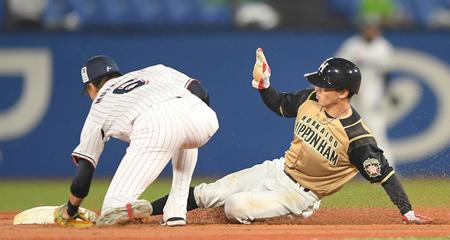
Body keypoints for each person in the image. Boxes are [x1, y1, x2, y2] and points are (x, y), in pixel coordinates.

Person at [151, 48, 432, 225]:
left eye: (324, 85)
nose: (317, 88)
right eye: (318, 83)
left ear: (344, 93)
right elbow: (280, 104)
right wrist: (264, 85)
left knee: (236, 206)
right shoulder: (311, 99)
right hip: (277, 169)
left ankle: (274, 214)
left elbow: (384, 174)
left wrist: (406, 211)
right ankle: (143, 211)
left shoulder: (357, 136)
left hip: (299, 195)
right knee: (207, 192)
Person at [54, 55, 219, 227]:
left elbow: (84, 174)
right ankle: (175, 211)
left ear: (91, 87)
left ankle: (127, 207)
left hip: (156, 123)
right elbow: (201, 93)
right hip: (201, 115)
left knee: (112, 207)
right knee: (181, 139)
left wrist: (71, 209)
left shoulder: (99, 107)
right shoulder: (154, 71)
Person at [335, 16, 395, 165]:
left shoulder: (383, 47)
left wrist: (389, 93)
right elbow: (339, 68)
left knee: (377, 134)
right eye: (367, 27)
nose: (370, 30)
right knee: (342, 134)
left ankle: (388, 169)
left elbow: (387, 74)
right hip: (352, 98)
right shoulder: (352, 45)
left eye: (373, 27)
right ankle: (336, 172)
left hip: (373, 98)